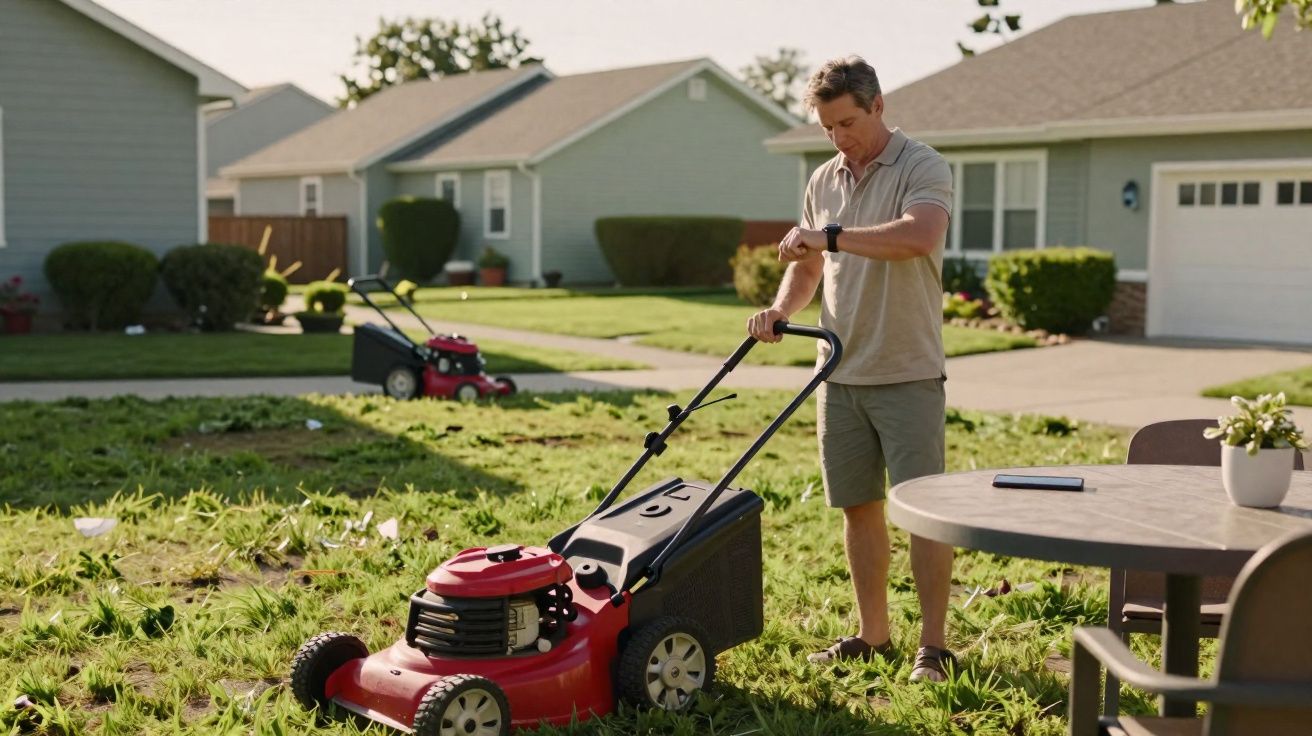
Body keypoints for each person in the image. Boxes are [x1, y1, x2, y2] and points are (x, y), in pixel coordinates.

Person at [746, 55, 956, 682]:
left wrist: (829, 236)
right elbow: (809, 266)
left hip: (907, 368)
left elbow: (917, 237)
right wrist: (781, 308)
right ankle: (874, 635)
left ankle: (936, 647)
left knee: (922, 511)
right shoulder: (823, 180)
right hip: (838, 373)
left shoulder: (922, 165)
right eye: (828, 127)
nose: (840, 137)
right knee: (858, 509)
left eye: (848, 122)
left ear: (878, 105)